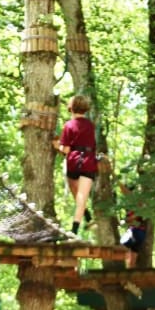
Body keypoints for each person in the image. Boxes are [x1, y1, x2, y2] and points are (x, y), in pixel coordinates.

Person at [52, 94, 97, 236]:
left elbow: (65, 149)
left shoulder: (69, 125)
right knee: (81, 197)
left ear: (71, 108)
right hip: (88, 163)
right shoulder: (90, 125)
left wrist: (56, 146)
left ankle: (78, 226)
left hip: (74, 163)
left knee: (78, 195)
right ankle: (82, 223)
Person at [118, 181, 147, 269]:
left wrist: (125, 221)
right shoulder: (130, 205)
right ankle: (130, 271)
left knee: (121, 247)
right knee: (132, 255)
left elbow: (137, 215)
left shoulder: (137, 202)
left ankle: (129, 269)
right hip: (136, 232)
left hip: (136, 231)